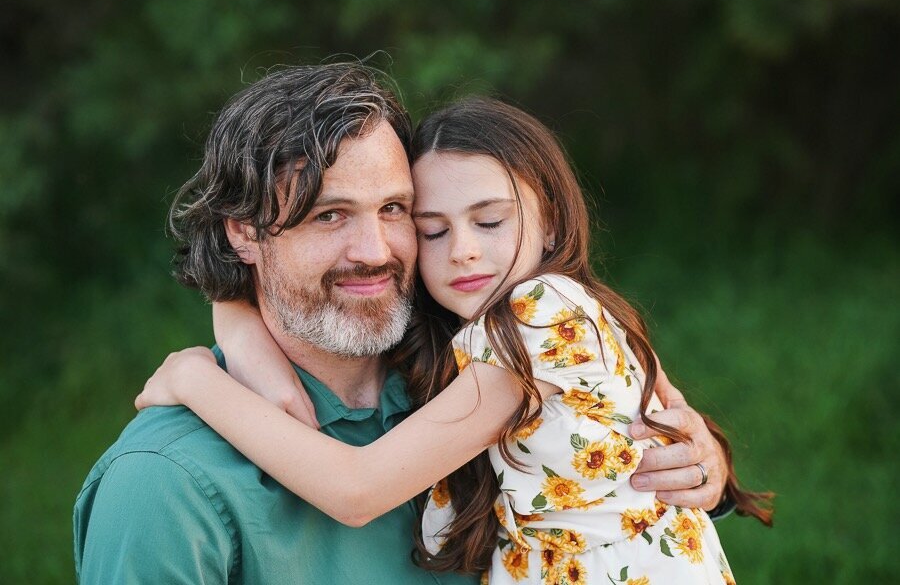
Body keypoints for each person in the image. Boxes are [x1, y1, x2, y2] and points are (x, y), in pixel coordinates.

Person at [132, 91, 770, 583]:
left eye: (489, 221)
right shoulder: (475, 330)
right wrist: (235, 317)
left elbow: (358, 491)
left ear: (550, 220)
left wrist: (196, 379)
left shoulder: (540, 316)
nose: (463, 252)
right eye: (431, 231)